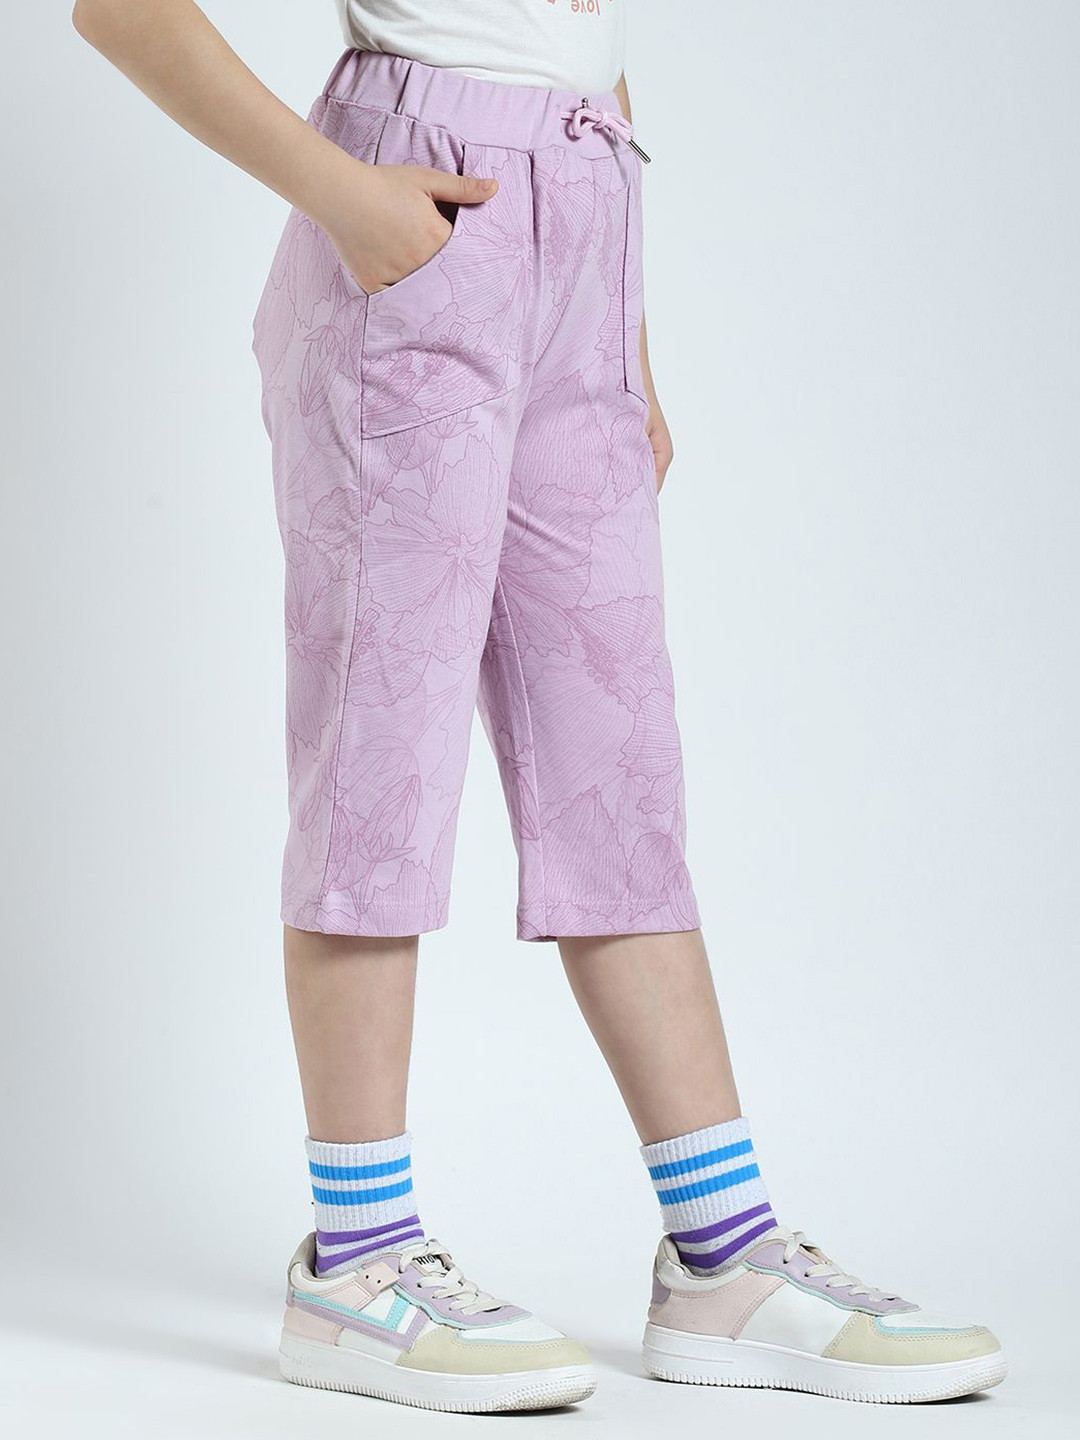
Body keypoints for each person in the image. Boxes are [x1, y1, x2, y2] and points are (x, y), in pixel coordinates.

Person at [73, 0, 1005, 1413]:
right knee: (380, 761)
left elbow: (577, 44)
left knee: (617, 769)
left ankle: (725, 1255)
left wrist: (624, 328)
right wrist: (347, 201)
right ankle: (357, 1259)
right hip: (419, 208)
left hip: (585, 233)